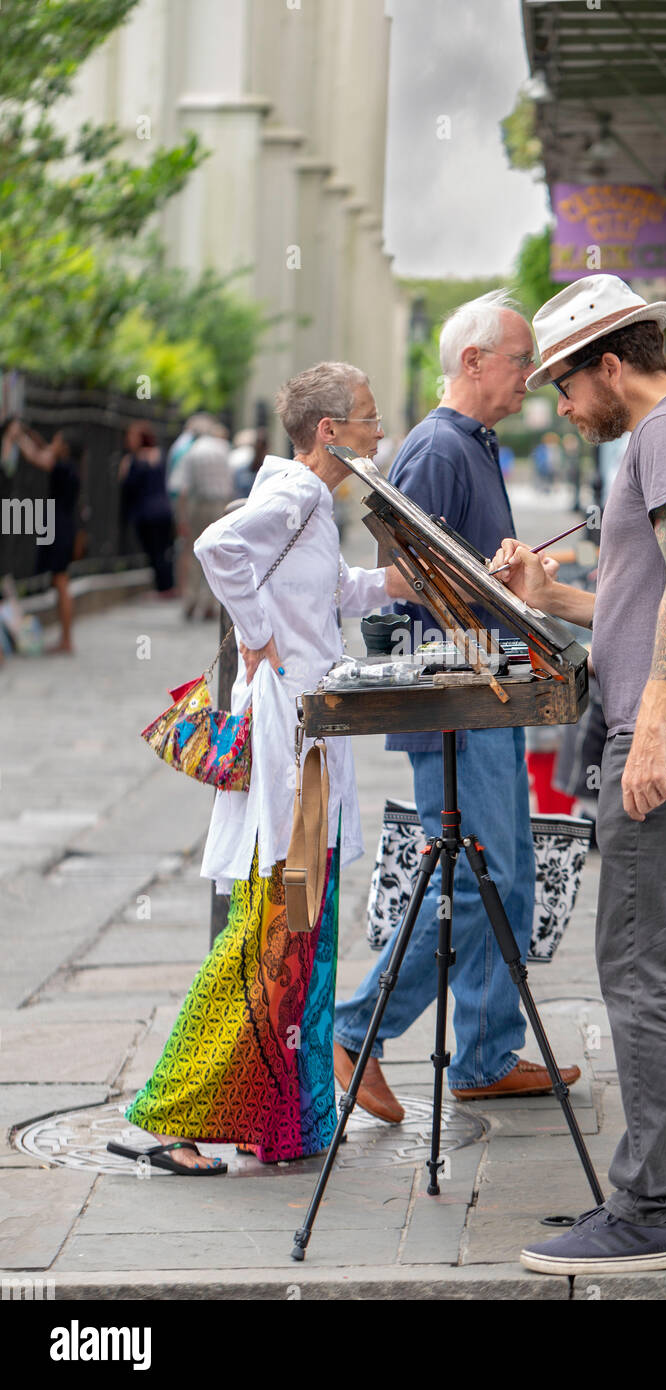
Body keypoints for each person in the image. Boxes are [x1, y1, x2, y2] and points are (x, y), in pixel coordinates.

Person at [489, 274, 666, 1276]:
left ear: (611, 364)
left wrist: (645, 732)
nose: (557, 401)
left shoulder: (664, 434)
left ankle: (645, 1210)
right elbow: (644, 598)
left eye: (563, 381)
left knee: (641, 968)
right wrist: (546, 590)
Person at [116, 363, 411, 1172]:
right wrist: (254, 634)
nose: (378, 434)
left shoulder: (309, 504)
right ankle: (175, 1119)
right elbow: (217, 546)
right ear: (329, 432)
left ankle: (281, 1124)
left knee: (296, 944)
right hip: (291, 750)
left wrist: (395, 582)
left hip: (307, 744)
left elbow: (326, 593)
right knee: (272, 937)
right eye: (368, 419)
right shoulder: (298, 496)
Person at [333, 290, 581, 1121]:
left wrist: (501, 572)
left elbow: (450, 576)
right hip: (459, 701)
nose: (533, 378)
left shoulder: (467, 444)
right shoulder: (439, 448)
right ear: (472, 362)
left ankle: (481, 1053)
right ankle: (357, 1029)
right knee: (483, 879)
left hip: (486, 696)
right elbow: (410, 587)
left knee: (504, 882)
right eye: (520, 362)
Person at [4, 421, 83, 654]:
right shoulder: (71, 468)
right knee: (60, 582)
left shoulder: (62, 467)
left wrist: (17, 436)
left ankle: (66, 639)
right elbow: (43, 449)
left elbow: (36, 456)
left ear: (65, 447)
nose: (53, 444)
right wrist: (30, 434)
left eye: (57, 441)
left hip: (59, 528)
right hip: (64, 525)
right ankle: (65, 638)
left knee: (61, 582)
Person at [174, 414, 232, 620]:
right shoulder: (223, 449)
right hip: (219, 504)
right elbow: (229, 481)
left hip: (197, 504)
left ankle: (190, 601)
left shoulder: (193, 452)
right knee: (214, 553)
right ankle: (209, 603)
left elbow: (184, 487)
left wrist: (182, 517)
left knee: (194, 553)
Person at [119, 422, 176, 596]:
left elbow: (127, 485)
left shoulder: (133, 460)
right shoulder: (158, 454)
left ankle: (164, 587)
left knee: (155, 551)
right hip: (162, 509)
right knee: (161, 550)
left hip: (147, 512)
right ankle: (166, 586)